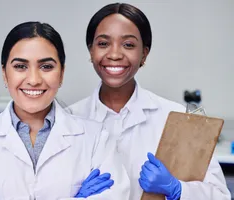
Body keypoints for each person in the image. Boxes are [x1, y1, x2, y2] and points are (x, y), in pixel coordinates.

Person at [0, 21, 130, 200]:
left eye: (46, 66)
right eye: (20, 66)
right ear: (4, 74)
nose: (33, 79)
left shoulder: (96, 138)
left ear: (62, 73)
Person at [68, 3, 230, 200]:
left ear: (144, 54)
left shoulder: (179, 120)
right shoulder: (67, 120)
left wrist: (178, 189)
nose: (115, 54)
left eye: (128, 45)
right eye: (103, 44)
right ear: (91, 51)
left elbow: (220, 195)